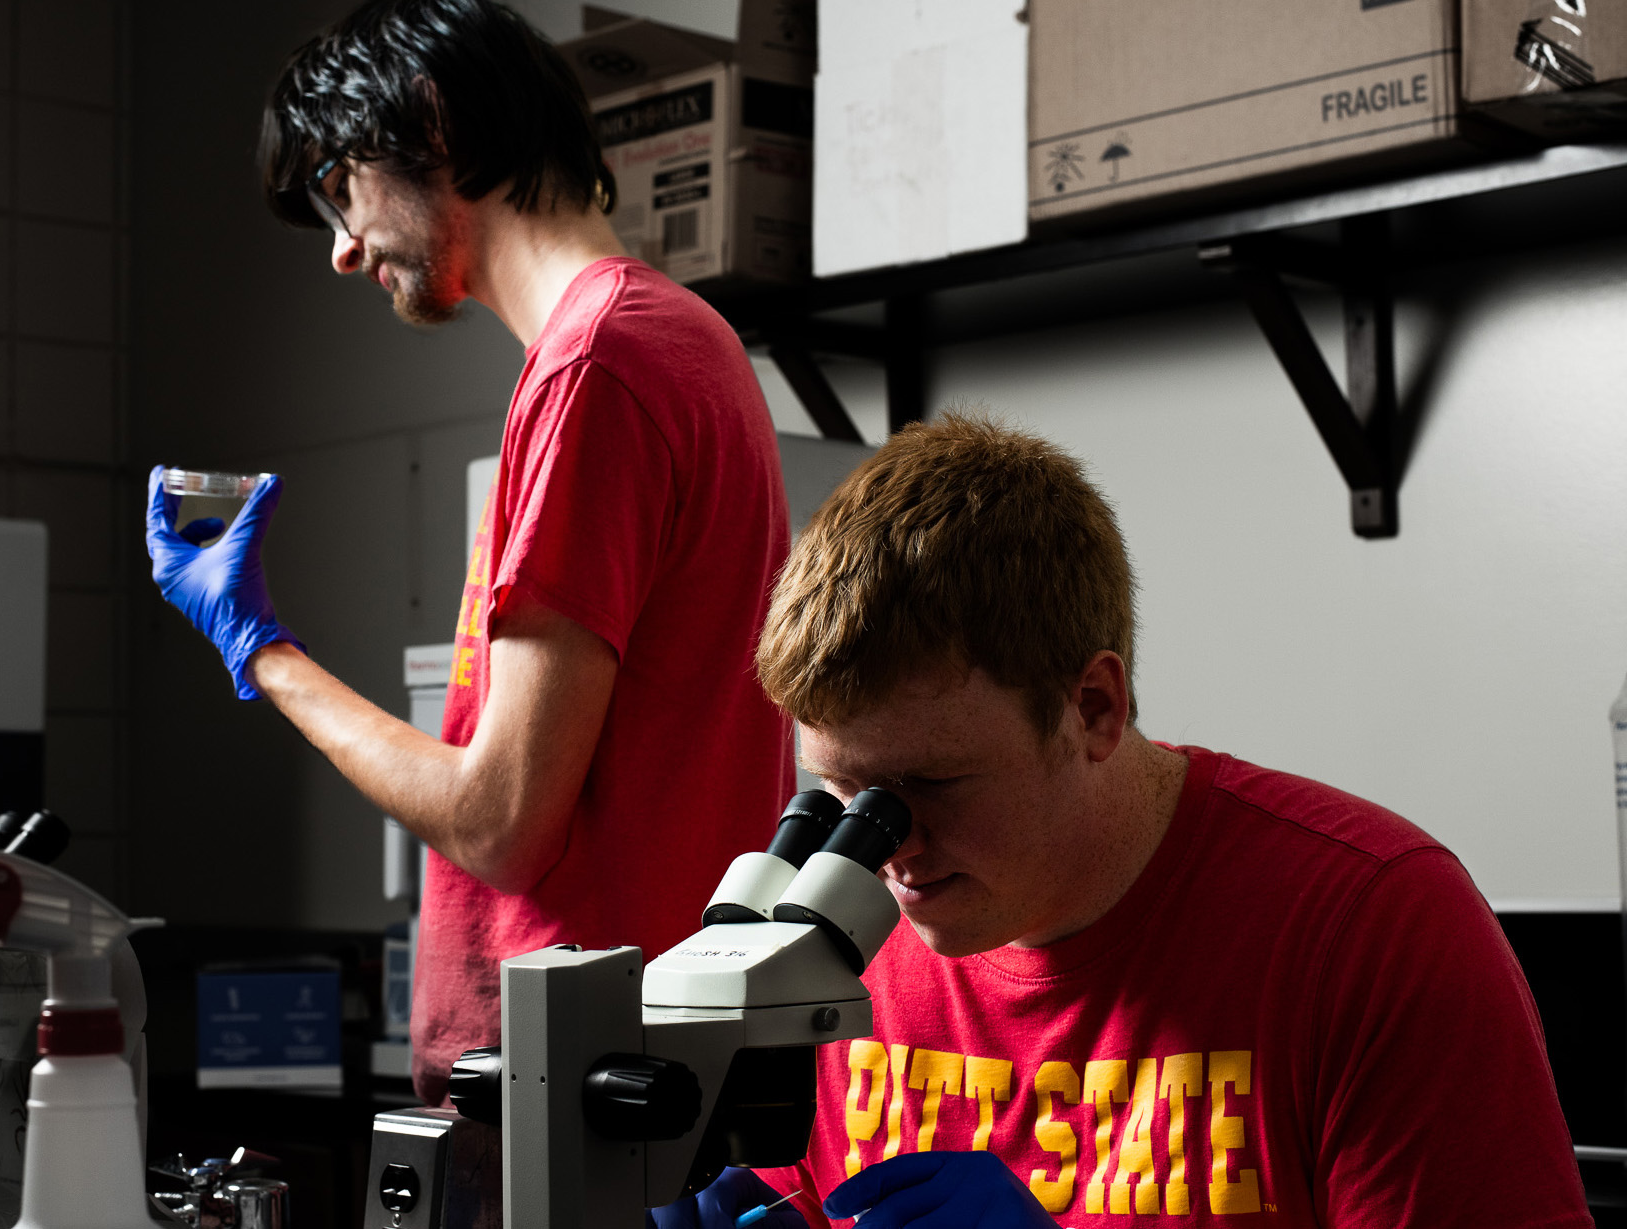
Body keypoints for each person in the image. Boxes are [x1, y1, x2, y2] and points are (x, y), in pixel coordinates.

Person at [658, 414, 1590, 1228]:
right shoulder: (835, 954)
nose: (886, 851)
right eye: (844, 799)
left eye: (925, 786)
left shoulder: (1370, 927)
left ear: (1095, 707)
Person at [143, 0, 794, 1105]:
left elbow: (498, 821)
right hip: (613, 1069)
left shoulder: (597, 365)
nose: (345, 250)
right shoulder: (671, 339)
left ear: (432, 127)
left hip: (577, 1088)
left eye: (340, 192)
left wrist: (260, 650)